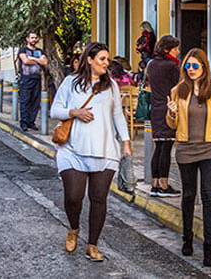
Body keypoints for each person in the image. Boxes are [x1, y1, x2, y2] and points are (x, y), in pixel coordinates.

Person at [50, 42, 131, 262]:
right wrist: (74, 112)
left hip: (104, 150)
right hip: (73, 149)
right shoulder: (70, 83)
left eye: (107, 59)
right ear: (89, 59)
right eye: (102, 59)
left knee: (99, 199)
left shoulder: (111, 86)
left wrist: (125, 142)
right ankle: (73, 228)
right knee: (74, 197)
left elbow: (117, 116)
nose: (107, 63)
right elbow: (54, 110)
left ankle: (93, 245)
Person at [166, 48, 211, 267]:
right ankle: (187, 238)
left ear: (204, 67)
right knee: (188, 195)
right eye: (187, 66)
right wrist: (172, 112)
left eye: (195, 66)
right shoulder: (178, 90)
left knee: (208, 195)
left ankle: (209, 247)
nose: (191, 70)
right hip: (186, 147)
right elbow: (172, 124)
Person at [147, 35, 181, 197]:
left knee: (158, 147)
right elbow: (180, 86)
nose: (178, 52)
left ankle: (155, 183)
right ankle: (164, 184)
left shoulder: (151, 64)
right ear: (167, 49)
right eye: (175, 49)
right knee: (166, 147)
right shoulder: (171, 66)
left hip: (155, 108)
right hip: (169, 108)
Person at [17, 32, 48, 132]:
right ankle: (24, 123)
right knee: (25, 101)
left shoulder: (39, 51)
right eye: (32, 38)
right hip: (26, 79)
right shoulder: (23, 50)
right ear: (27, 39)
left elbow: (45, 62)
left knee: (35, 102)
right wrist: (38, 60)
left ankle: (31, 122)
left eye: (35, 38)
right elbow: (25, 61)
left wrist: (33, 58)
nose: (34, 40)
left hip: (37, 78)